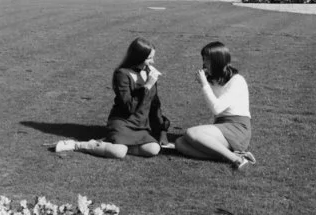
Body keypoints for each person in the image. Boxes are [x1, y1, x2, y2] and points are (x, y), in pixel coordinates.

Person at [54, 37, 170, 159]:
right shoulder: (122, 74)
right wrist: (147, 86)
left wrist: (162, 132)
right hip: (123, 122)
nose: (153, 62)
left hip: (140, 125)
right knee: (118, 153)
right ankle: (78, 145)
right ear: (139, 57)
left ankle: (113, 144)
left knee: (154, 149)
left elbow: (154, 104)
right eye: (149, 58)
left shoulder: (149, 74)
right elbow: (129, 106)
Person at [175, 41, 256, 171]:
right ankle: (233, 155)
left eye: (207, 59)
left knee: (192, 132)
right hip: (221, 124)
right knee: (180, 144)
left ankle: (237, 160)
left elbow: (216, 108)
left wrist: (205, 85)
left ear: (217, 60)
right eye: (203, 59)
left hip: (237, 127)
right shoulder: (213, 79)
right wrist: (207, 83)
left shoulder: (237, 80)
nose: (204, 63)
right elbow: (216, 111)